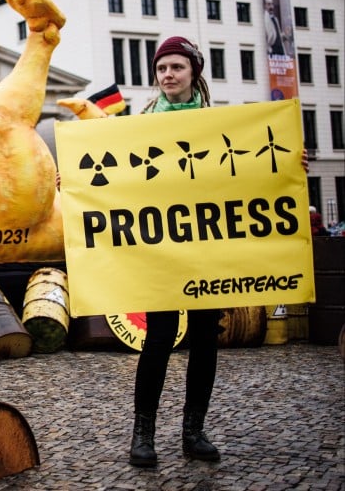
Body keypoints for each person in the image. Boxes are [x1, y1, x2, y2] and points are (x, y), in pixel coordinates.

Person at [129, 36, 223, 468]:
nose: (168, 75)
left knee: (206, 339)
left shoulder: (217, 124)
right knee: (159, 339)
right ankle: (143, 435)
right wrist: (71, 181)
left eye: (177, 67)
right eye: (162, 68)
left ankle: (193, 431)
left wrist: (285, 167)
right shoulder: (140, 123)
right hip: (160, 251)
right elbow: (119, 181)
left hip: (205, 249)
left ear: (193, 73)